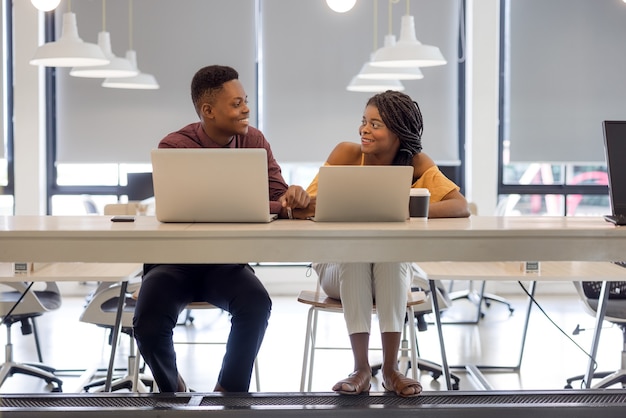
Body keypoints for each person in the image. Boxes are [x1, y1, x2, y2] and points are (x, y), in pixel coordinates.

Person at [133, 65, 310, 393]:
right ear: (208, 111)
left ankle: (229, 392)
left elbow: (277, 195)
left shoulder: (253, 141)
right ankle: (173, 391)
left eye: (245, 101)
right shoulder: (175, 147)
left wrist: (291, 197)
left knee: (257, 304)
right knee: (147, 322)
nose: (246, 109)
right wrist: (276, 207)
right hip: (173, 263)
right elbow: (196, 210)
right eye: (237, 103)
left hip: (225, 263)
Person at [293, 90, 470, 397]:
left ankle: (390, 370)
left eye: (375, 124)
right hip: (337, 268)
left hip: (389, 271)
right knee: (356, 253)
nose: (364, 129)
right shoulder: (346, 155)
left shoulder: (415, 163)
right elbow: (306, 206)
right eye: (363, 121)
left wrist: (403, 207)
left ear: (398, 133)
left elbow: (460, 206)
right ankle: (361, 368)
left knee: (392, 255)